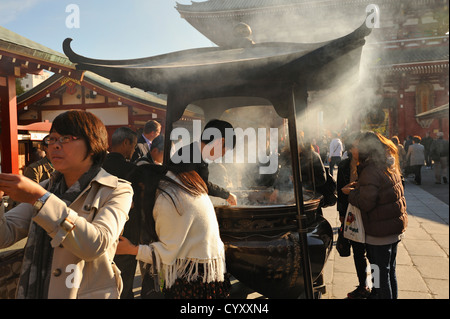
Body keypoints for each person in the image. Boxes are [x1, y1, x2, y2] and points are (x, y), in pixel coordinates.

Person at [0, 110, 133, 299]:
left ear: (93, 144)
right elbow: (4, 235)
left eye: (65, 138)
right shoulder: (46, 188)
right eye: (52, 139)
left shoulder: (116, 190)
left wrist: (41, 199)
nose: (55, 146)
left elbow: (96, 244)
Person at [116, 164, 231, 299]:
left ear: (142, 186)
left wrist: (131, 249)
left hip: (194, 279)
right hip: (208, 271)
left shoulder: (167, 199)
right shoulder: (179, 183)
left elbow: (167, 253)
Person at [342, 131, 407, 299]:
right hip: (392, 229)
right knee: (389, 272)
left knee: (379, 277)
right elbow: (380, 192)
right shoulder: (387, 164)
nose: (352, 151)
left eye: (356, 147)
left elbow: (366, 203)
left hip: (379, 233)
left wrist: (350, 193)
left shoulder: (371, 170)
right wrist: (361, 187)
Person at [102, 126, 138, 299]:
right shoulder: (131, 170)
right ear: (126, 143)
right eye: (133, 145)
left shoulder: (97, 167)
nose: (134, 150)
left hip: (99, 231)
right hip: (126, 235)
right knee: (124, 284)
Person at [169, 119, 237, 206]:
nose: (222, 155)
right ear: (220, 141)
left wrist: (226, 194)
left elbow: (202, 183)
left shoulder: (196, 154)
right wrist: (226, 194)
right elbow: (199, 185)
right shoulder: (188, 155)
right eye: (225, 150)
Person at [337, 131, 370, 299]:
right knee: (358, 252)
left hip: (368, 212)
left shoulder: (369, 164)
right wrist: (341, 213)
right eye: (358, 146)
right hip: (352, 211)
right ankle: (363, 284)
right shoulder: (344, 166)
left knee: (373, 253)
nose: (361, 148)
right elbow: (339, 190)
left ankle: (377, 286)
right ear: (351, 148)